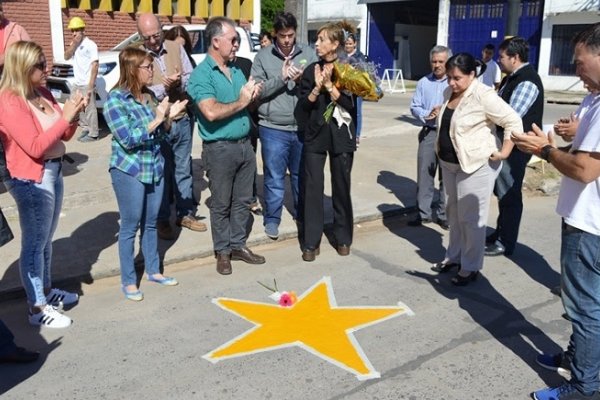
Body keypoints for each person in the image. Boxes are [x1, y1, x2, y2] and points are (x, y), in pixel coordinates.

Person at [512, 23, 600, 400]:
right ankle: (580, 358)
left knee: (584, 308)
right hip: (585, 218)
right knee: (588, 305)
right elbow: (585, 141)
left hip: (588, 223)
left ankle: (585, 386)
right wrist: (571, 132)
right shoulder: (593, 97)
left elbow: (584, 169)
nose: (575, 68)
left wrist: (544, 151)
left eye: (580, 61)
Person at [0, 41, 86, 327]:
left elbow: (63, 134)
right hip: (31, 179)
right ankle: (36, 308)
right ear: (22, 68)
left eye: (44, 62)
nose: (45, 68)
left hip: (54, 170)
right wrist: (65, 118)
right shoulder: (10, 101)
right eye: (39, 65)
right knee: (35, 245)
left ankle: (46, 293)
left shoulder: (42, 92)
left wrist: (72, 114)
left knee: (45, 240)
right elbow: (35, 147)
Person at [430, 53, 522, 286]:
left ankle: (470, 266)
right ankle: (454, 256)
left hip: (476, 165)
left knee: (471, 218)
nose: (452, 82)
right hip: (450, 164)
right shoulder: (449, 92)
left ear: (472, 74)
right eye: (449, 77)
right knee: (453, 213)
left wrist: (505, 151)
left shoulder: (484, 96)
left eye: (457, 78)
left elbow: (513, 121)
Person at [103, 47, 187, 301]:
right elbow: (128, 139)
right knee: (130, 226)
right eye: (148, 67)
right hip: (129, 169)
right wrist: (158, 119)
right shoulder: (115, 100)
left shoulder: (148, 96)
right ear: (132, 69)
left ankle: (153, 270)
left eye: (152, 66)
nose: (153, 71)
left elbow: (161, 134)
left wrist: (168, 118)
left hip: (154, 165)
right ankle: (128, 280)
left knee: (151, 223)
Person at [187, 17, 265, 275]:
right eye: (232, 40)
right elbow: (210, 112)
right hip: (219, 149)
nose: (236, 45)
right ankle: (223, 252)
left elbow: (246, 104)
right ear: (215, 41)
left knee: (243, 200)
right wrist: (243, 102)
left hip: (245, 145)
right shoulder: (201, 75)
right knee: (221, 203)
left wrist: (254, 96)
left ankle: (237, 245)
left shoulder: (237, 70)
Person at [137, 13, 206, 240]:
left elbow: (192, 75)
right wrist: (162, 88)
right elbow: (138, 87)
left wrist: (179, 82)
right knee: (162, 172)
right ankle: (161, 219)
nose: (153, 41)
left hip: (182, 118)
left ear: (162, 29)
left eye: (156, 35)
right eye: (147, 38)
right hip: (158, 122)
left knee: (183, 168)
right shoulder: (137, 55)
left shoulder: (175, 47)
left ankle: (185, 213)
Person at [251, 12, 318, 240]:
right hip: (273, 128)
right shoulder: (263, 56)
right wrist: (281, 77)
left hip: (301, 127)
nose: (287, 40)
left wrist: (302, 81)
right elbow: (256, 91)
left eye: (290, 35)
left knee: (301, 176)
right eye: (282, 36)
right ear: (275, 35)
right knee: (274, 177)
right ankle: (272, 219)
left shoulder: (308, 54)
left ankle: (301, 214)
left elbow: (318, 86)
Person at [295, 20, 356, 262]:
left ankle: (343, 238)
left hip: (341, 134)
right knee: (312, 188)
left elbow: (351, 105)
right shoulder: (311, 70)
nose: (317, 44)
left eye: (322, 40)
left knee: (341, 186)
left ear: (335, 44)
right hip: (315, 135)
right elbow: (301, 109)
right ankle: (311, 241)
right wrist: (315, 89)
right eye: (317, 40)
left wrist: (331, 87)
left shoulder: (349, 69)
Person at [485, 36, 544, 257]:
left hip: (516, 149)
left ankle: (505, 241)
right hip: (507, 145)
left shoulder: (527, 81)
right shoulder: (512, 78)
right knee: (503, 193)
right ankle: (500, 233)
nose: (499, 61)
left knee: (510, 195)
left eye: (502, 57)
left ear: (515, 57)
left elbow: (509, 116)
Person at [408, 45, 451, 230]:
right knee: (425, 175)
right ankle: (423, 213)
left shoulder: (454, 82)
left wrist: (443, 111)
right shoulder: (423, 82)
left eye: (441, 62)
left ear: (448, 62)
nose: (437, 65)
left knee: (447, 177)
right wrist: (426, 114)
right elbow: (414, 106)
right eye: (434, 61)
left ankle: (444, 215)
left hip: (449, 134)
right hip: (429, 132)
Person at [64, 17, 99, 143]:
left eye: (77, 30)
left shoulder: (90, 45)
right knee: (78, 107)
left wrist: (90, 86)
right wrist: (73, 45)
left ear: (83, 30)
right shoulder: (73, 45)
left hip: (86, 83)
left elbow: (95, 65)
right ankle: (85, 128)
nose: (74, 33)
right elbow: (66, 56)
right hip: (77, 83)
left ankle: (94, 133)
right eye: (72, 30)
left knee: (89, 108)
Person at [341, 31, 366, 142]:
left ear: (355, 44)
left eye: (350, 44)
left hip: (356, 89)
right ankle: (344, 131)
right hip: (343, 88)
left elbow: (363, 71)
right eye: (346, 44)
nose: (348, 46)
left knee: (357, 111)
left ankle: (356, 135)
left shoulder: (360, 56)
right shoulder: (341, 56)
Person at [0, 0, 30, 75]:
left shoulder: (17, 30)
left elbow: (32, 54)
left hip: (14, 80)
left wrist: (7, 57)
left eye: (0, 9)